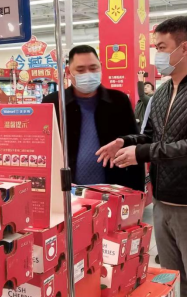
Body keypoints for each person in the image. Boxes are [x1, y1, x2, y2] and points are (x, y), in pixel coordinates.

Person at [96, 16, 187, 297]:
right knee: (173, 282)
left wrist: (141, 153)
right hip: (162, 203)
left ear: (184, 48)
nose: (156, 54)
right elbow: (152, 137)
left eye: (162, 47)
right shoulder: (162, 92)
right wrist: (126, 142)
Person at [42, 45, 145, 191]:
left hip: (113, 190)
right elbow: (44, 148)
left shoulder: (118, 101)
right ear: (68, 72)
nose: (88, 74)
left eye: (93, 68)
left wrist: (138, 192)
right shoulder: (54, 102)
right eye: (80, 70)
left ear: (101, 67)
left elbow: (135, 142)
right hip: (67, 191)